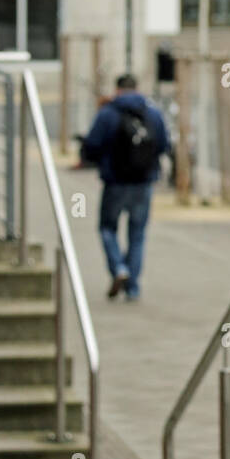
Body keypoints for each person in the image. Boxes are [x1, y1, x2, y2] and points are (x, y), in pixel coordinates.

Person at [81, 74, 170, 301]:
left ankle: (119, 267)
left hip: (115, 182)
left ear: (117, 89)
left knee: (107, 228)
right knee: (137, 234)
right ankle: (133, 287)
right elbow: (163, 145)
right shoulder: (153, 113)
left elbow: (92, 146)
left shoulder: (108, 113)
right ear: (136, 88)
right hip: (144, 181)